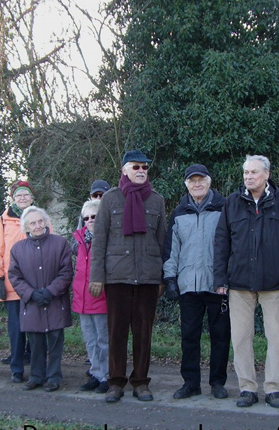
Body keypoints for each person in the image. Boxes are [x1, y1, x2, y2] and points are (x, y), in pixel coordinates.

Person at [214, 155, 279, 409]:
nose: (248, 176)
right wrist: (220, 277)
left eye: (253, 172)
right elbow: (221, 242)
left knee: (277, 337)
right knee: (241, 337)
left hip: (273, 283)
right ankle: (247, 388)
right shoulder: (232, 203)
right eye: (245, 172)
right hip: (239, 283)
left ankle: (274, 388)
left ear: (266, 174)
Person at [90, 149, 166, 403]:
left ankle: (141, 382)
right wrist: (96, 276)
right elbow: (99, 240)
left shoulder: (157, 200)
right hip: (117, 277)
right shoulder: (110, 199)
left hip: (148, 278)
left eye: (145, 167)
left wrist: (162, 277)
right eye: (136, 167)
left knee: (144, 333)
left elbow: (162, 240)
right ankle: (115, 382)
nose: (141, 171)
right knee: (117, 333)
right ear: (124, 170)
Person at [163, 163, 230, 400]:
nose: (197, 184)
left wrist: (227, 278)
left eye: (201, 179)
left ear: (209, 182)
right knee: (189, 336)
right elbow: (172, 249)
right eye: (192, 181)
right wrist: (170, 278)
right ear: (186, 185)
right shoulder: (179, 213)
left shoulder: (223, 208)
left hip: (216, 284)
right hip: (188, 286)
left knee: (220, 336)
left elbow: (230, 247)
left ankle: (217, 382)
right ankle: (191, 383)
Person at [8, 206, 73, 391]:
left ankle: (54, 377)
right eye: (33, 223)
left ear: (45, 222)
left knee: (55, 341)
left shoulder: (60, 243)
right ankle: (36, 376)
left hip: (55, 301)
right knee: (35, 341)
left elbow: (66, 271)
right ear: (26, 227)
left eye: (40, 221)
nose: (37, 225)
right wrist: (31, 294)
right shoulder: (17, 249)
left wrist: (50, 291)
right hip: (32, 303)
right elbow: (14, 276)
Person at [0, 181, 34, 383]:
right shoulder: (2, 221)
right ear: (13, 198)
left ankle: (36, 364)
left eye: (26, 195)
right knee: (16, 328)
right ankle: (16, 368)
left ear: (32, 198)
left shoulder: (39, 218)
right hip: (12, 284)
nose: (22, 198)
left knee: (35, 326)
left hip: (35, 284)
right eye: (19, 195)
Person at [73, 200, 110, 393]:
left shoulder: (109, 239)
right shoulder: (78, 240)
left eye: (94, 217)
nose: (89, 220)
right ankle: (96, 373)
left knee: (104, 340)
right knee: (90, 340)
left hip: (101, 298)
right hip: (82, 299)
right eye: (86, 218)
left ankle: (108, 375)